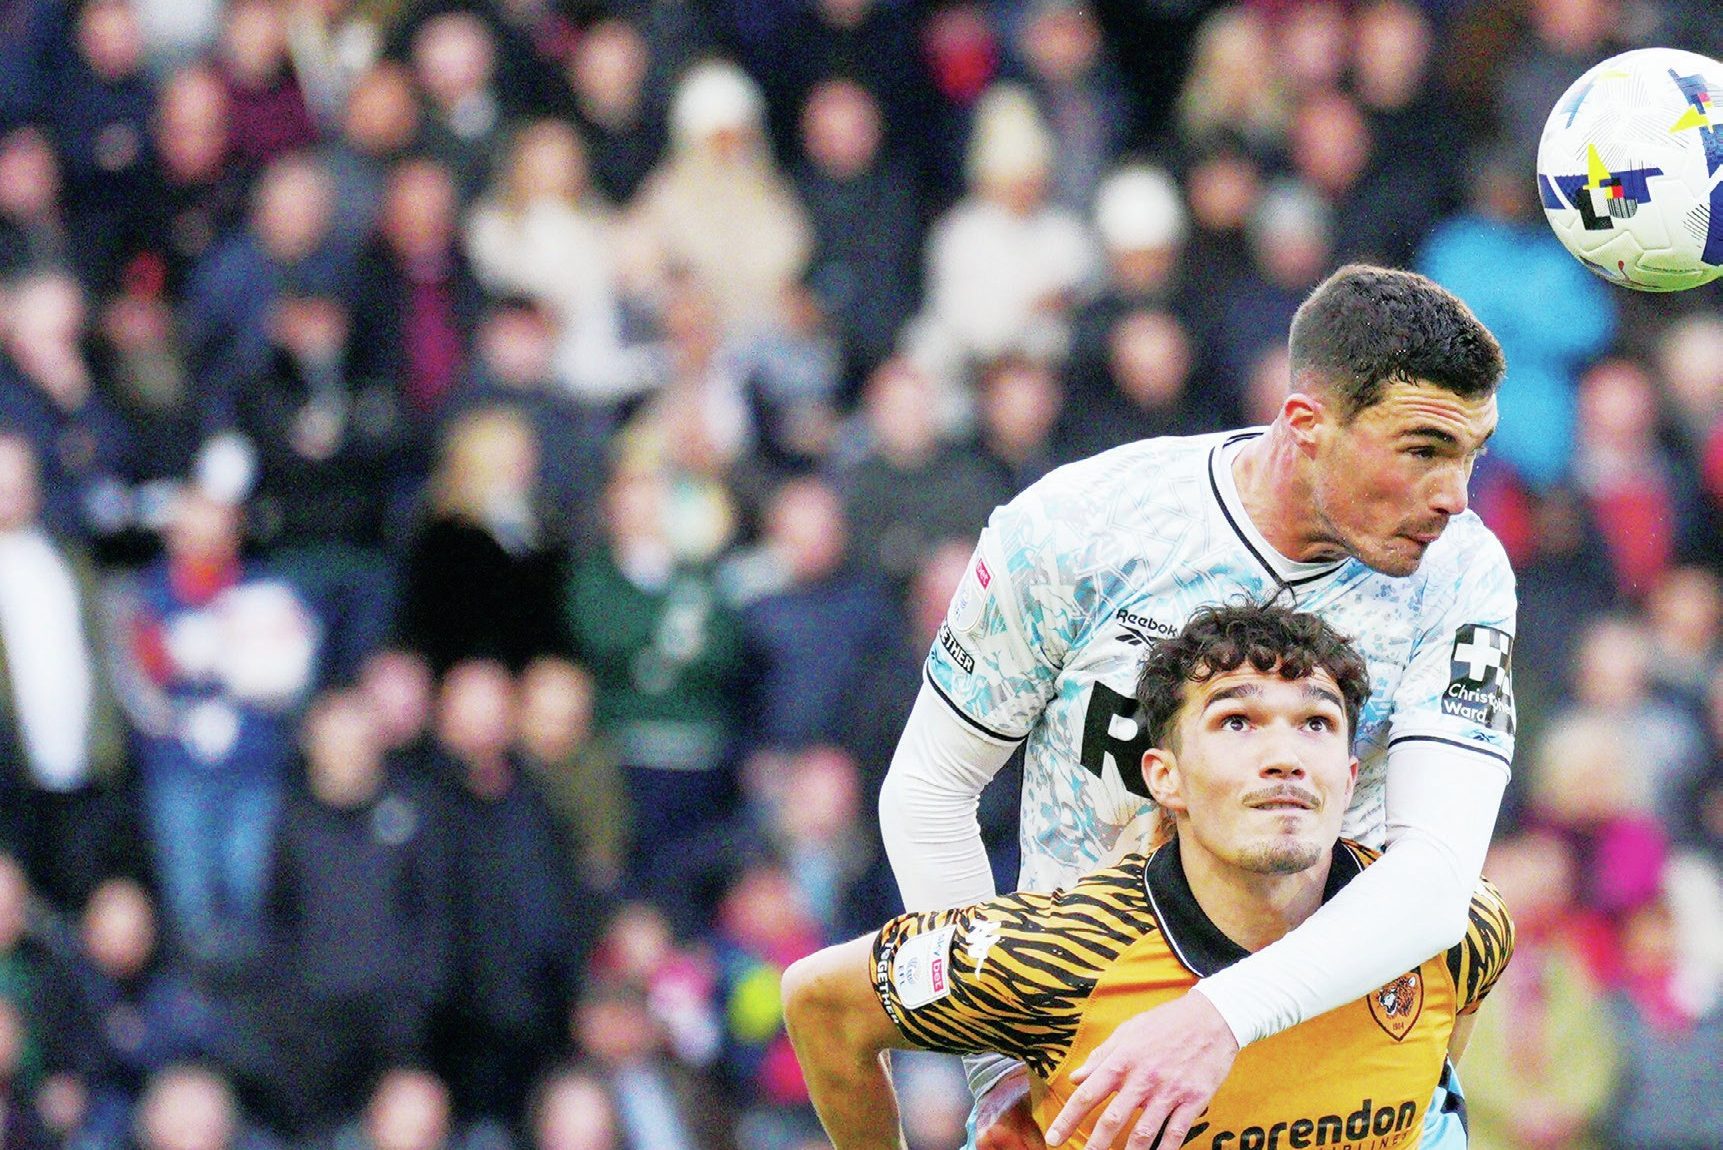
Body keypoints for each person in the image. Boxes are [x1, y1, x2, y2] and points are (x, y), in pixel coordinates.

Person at [880, 264, 1515, 1149]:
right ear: (1304, 424)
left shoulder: (1460, 575)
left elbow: (1438, 879)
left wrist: (1218, 1018)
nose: (1454, 496)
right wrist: (994, 1071)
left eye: (1470, 454)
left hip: (1346, 1067)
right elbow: (929, 792)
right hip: (1096, 1066)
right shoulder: (1079, 529)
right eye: (1422, 450)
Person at [788, 603, 1514, 1148]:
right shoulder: (1056, 953)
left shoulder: (1460, 925)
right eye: (1237, 722)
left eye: (1315, 724)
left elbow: (1437, 1071)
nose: (1285, 756)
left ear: (1349, 775)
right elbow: (820, 1002)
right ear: (1164, 777)